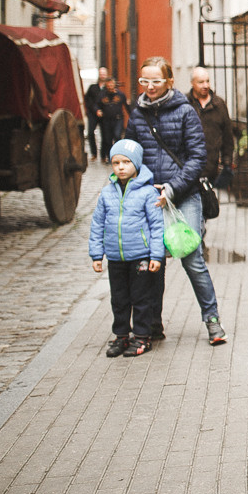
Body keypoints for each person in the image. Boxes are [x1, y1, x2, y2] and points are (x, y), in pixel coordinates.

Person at [126, 56, 228, 346]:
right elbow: (130, 153)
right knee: (153, 260)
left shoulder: (185, 112)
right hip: (150, 198)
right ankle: (152, 324)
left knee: (191, 257)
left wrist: (172, 187)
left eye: (156, 81)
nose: (150, 87)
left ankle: (212, 320)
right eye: (144, 81)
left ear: (169, 82)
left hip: (184, 196)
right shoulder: (137, 114)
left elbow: (198, 158)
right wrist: (141, 185)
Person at [89, 139, 165, 358]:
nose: (121, 167)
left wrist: (156, 255)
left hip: (140, 256)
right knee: (119, 299)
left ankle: (142, 336)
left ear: (136, 163)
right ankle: (121, 335)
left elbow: (157, 226)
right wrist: (97, 254)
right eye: (116, 163)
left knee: (141, 299)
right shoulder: (107, 194)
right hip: (116, 257)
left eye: (126, 162)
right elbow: (97, 224)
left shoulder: (148, 193)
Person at [188, 67, 234, 190]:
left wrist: (227, 162)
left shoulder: (219, 104)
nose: (206, 85)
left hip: (211, 169)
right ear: (192, 83)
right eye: (201, 82)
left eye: (207, 81)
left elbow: (227, 136)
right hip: (189, 168)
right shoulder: (185, 104)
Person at [96, 78, 129, 161]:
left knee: (117, 136)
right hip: (106, 120)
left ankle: (118, 154)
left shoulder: (120, 94)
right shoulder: (102, 95)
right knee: (108, 139)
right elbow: (96, 104)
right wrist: (98, 110)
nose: (110, 86)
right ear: (106, 85)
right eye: (109, 84)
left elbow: (127, 105)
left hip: (118, 119)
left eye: (111, 84)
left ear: (114, 84)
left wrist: (132, 115)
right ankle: (110, 156)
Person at [84, 67, 109, 160]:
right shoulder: (93, 87)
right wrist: (94, 110)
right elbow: (87, 99)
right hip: (93, 114)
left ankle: (103, 155)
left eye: (104, 74)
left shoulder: (108, 89)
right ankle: (94, 153)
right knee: (90, 133)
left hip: (104, 114)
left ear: (106, 75)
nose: (102, 75)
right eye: (101, 74)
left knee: (104, 135)